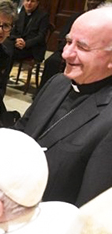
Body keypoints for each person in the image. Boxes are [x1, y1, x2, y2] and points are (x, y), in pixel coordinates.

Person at [14, 4, 112, 207]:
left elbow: (90, 206)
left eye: (82, 47)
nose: (66, 53)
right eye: (68, 41)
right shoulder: (58, 82)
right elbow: (21, 133)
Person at [37, 0, 105, 93]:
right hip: (68, 48)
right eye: (89, 0)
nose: (91, 2)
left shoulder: (104, 22)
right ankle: (43, 92)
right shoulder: (75, 17)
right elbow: (64, 36)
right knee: (52, 61)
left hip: (89, 53)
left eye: (94, 1)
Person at [6, 0, 49, 77]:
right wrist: (16, 40)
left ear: (37, 3)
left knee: (9, 51)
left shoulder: (43, 16)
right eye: (27, 0)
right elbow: (12, 31)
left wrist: (26, 43)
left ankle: (3, 78)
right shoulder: (20, 13)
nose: (29, 3)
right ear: (23, 1)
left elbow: (41, 36)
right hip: (18, 45)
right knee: (4, 46)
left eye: (32, 1)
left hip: (33, 49)